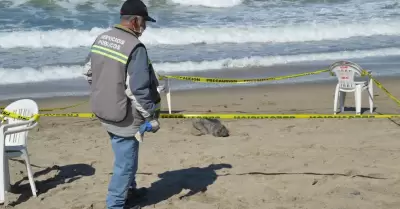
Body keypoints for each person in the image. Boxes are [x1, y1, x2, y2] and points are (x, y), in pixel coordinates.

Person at [84, 0, 161, 208]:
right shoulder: (135, 47)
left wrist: (108, 92)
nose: (144, 28)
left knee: (126, 155)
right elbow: (138, 90)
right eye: (144, 23)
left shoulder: (102, 38)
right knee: (124, 164)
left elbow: (89, 73)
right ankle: (116, 204)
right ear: (135, 21)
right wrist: (151, 117)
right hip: (125, 118)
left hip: (104, 110)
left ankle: (131, 191)